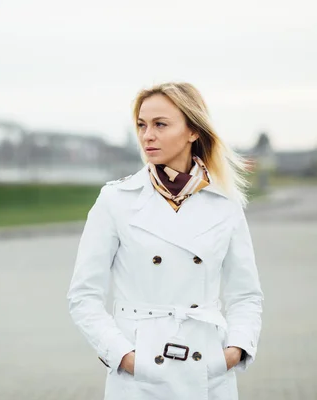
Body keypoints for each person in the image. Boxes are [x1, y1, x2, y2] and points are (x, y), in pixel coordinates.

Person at [66, 82, 263, 400]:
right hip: (141, 376)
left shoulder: (224, 204)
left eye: (160, 124)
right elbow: (83, 296)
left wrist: (235, 350)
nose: (147, 135)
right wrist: (124, 357)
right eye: (142, 125)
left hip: (208, 372)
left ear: (193, 131)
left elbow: (247, 295)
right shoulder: (115, 200)